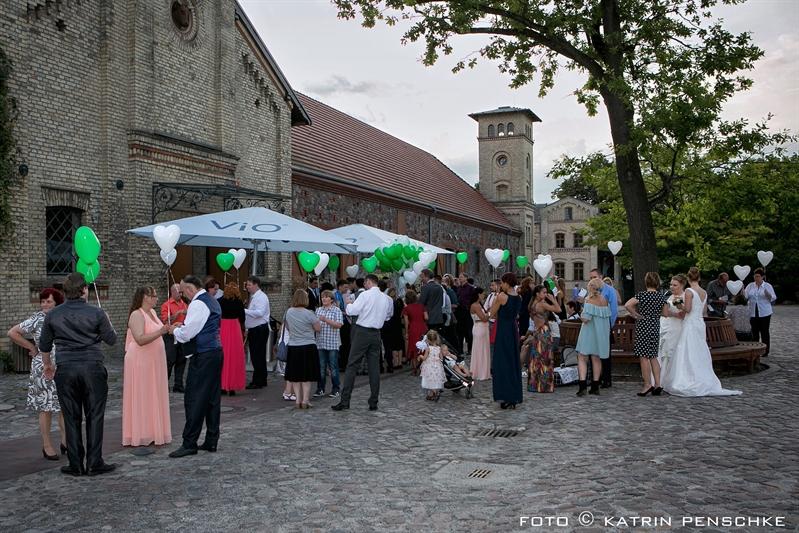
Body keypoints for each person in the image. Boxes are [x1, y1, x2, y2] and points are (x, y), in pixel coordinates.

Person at [38, 273, 117, 476]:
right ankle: (94, 461)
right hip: (92, 367)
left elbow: (44, 345)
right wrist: (106, 320)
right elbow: (111, 340)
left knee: (72, 417)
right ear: (84, 290)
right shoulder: (97, 313)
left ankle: (76, 464)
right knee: (95, 415)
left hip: (66, 368)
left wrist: (47, 365)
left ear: (65, 292)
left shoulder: (53, 315)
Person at [661, 267, 742, 397]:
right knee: (698, 349)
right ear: (699, 278)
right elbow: (704, 311)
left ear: (688, 278)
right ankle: (701, 376)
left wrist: (678, 304)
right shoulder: (704, 292)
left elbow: (687, 309)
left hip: (690, 323)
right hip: (699, 323)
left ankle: (688, 378)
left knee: (687, 350)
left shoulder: (688, 291)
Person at [7, 288, 66, 460]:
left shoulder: (62, 316)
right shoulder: (37, 318)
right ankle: (47, 445)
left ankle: (66, 441)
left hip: (62, 365)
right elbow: (12, 332)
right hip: (43, 368)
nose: (44, 304)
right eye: (42, 301)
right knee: (45, 407)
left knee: (64, 405)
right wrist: (32, 347)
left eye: (48, 301)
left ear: (57, 302)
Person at [168, 275, 223, 458]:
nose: (183, 295)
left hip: (204, 355)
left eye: (183, 291)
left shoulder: (198, 304)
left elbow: (189, 332)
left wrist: (174, 330)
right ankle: (211, 439)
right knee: (212, 398)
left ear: (191, 289)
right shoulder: (212, 301)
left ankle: (189, 442)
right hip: (214, 352)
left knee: (194, 398)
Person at [332, 274, 393, 412]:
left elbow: (353, 311)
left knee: (352, 365)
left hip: (362, 331)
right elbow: (389, 315)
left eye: (365, 283)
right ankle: (373, 401)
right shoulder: (386, 298)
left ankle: (345, 400)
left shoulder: (365, 295)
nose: (364, 285)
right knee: (374, 368)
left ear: (368, 282)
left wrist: (347, 303)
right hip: (376, 332)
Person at [122, 287, 172, 447]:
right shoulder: (136, 315)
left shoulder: (154, 313)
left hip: (154, 361)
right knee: (143, 394)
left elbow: (157, 330)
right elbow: (140, 339)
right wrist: (161, 332)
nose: (157, 298)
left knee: (154, 394)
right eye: (154, 296)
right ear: (145, 297)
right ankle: (141, 433)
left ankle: (153, 431)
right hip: (140, 360)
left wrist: (170, 328)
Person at [624, 272, 673, 397]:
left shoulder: (642, 295)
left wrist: (636, 315)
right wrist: (655, 313)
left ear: (646, 282)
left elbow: (627, 304)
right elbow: (666, 314)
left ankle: (647, 384)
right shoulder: (661, 297)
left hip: (643, 326)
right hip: (655, 326)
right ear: (657, 283)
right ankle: (658, 384)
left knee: (643, 357)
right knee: (653, 356)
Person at [488, 272, 522, 409]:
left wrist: (496, 301)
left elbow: (492, 312)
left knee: (502, 363)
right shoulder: (519, 297)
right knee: (513, 362)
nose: (500, 285)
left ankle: (505, 395)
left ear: (507, 283)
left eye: (501, 282)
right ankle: (514, 396)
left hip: (503, 330)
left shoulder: (502, 296)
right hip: (513, 329)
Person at [283, 290, 321, 409]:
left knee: (295, 375)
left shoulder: (288, 312)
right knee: (306, 375)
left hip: (294, 346)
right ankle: (305, 400)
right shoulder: (309, 313)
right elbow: (318, 328)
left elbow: (288, 327)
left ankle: (297, 400)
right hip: (308, 346)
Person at [574, 278, 611, 397]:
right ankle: (595, 386)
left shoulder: (588, 300)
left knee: (582, 357)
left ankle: (582, 385)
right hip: (600, 334)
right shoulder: (605, 301)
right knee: (596, 358)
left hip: (588, 333)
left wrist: (580, 312)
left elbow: (586, 319)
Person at [526, 285, 561, 393]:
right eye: (544, 292)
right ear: (537, 293)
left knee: (536, 359)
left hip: (537, 332)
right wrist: (553, 299)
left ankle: (535, 385)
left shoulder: (532, 304)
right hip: (544, 332)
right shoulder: (542, 304)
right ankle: (544, 386)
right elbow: (558, 309)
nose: (546, 294)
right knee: (545, 359)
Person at [590, 269, 618, 388]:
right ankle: (596, 378)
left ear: (601, 277)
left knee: (605, 354)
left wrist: (609, 326)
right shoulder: (591, 290)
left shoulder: (609, 290)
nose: (593, 280)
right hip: (593, 326)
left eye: (595, 277)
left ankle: (606, 379)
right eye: (591, 277)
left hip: (605, 325)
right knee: (594, 352)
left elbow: (614, 310)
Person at [219, 282, 246, 396]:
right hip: (235, 327)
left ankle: (223, 386)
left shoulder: (220, 301)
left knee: (224, 356)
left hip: (224, 327)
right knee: (235, 356)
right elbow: (243, 318)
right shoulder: (239, 302)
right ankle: (233, 387)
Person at [315, 289, 343, 399]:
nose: (324, 299)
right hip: (320, 342)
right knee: (321, 367)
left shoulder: (336, 311)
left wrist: (325, 320)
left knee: (333, 367)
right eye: (322, 297)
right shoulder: (318, 310)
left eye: (326, 297)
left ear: (331, 299)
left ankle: (336, 388)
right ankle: (320, 388)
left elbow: (339, 325)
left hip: (332, 343)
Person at [160, 283, 188, 393]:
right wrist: (177, 313)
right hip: (170, 335)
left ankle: (178, 385)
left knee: (182, 360)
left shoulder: (184, 304)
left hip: (182, 334)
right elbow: (166, 321)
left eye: (181, 292)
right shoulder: (166, 305)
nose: (180, 294)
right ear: (172, 292)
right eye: (178, 292)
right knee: (169, 360)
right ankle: (163, 385)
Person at [244, 276, 271, 389]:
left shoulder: (261, 297)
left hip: (259, 329)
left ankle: (258, 380)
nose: (247, 287)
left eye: (249, 285)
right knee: (257, 355)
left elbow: (259, 313)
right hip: (255, 329)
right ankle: (260, 379)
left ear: (256, 285)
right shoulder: (255, 297)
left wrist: (244, 310)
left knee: (257, 355)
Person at [658, 275, 687, 373]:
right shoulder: (670, 296)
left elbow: (682, 314)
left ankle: (670, 375)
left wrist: (670, 313)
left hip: (675, 328)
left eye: (675, 285)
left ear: (682, 285)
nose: (671, 287)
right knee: (663, 350)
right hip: (665, 325)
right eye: (671, 284)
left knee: (670, 351)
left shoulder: (682, 296)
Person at [745, 268, 776, 356]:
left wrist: (767, 294)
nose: (756, 278)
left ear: (762, 277)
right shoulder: (750, 285)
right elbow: (746, 297)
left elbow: (773, 298)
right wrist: (742, 292)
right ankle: (755, 351)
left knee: (764, 332)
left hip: (765, 312)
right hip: (752, 312)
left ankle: (765, 351)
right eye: (755, 276)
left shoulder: (767, 286)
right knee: (754, 332)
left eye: (758, 276)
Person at [402, 289, 427, 375]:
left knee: (413, 348)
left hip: (413, 328)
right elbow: (426, 317)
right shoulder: (421, 306)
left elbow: (406, 322)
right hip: (423, 328)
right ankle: (423, 369)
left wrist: (406, 333)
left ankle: (415, 369)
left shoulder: (406, 308)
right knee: (423, 347)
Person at [380, 288, 404, 373]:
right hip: (395, 324)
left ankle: (391, 363)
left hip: (387, 323)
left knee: (389, 345)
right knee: (395, 344)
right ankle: (396, 363)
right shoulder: (398, 301)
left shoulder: (387, 300)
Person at [469, 288, 491, 381]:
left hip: (482, 328)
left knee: (483, 350)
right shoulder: (476, 305)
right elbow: (484, 318)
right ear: (478, 294)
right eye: (482, 294)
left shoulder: (479, 305)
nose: (483, 295)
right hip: (480, 328)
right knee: (480, 350)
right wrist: (491, 312)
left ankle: (482, 371)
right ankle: (480, 373)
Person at [419, 330, 446, 401]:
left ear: (427, 339)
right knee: (435, 380)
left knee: (429, 380)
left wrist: (421, 356)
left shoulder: (428, 348)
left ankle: (434, 393)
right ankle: (432, 394)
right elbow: (441, 358)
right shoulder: (439, 348)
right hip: (437, 366)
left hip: (429, 367)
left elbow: (424, 358)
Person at [455, 272, 476, 354]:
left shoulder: (471, 288)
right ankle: (460, 349)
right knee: (459, 331)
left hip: (467, 311)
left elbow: (474, 299)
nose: (460, 278)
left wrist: (469, 306)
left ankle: (470, 349)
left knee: (468, 331)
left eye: (461, 277)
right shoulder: (459, 288)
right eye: (459, 277)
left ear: (466, 278)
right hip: (459, 311)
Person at [334, 279, 352, 371]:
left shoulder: (340, 295)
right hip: (341, 322)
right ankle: (343, 364)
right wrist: (346, 313)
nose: (346, 289)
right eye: (345, 287)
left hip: (344, 321)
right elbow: (337, 309)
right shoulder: (336, 295)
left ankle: (344, 363)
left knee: (346, 343)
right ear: (340, 287)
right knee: (344, 344)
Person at [516, 277, 534, 345]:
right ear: (528, 284)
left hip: (522, 313)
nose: (533, 284)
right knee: (526, 331)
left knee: (522, 331)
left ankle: (521, 346)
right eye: (532, 283)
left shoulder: (522, 291)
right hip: (526, 314)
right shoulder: (529, 292)